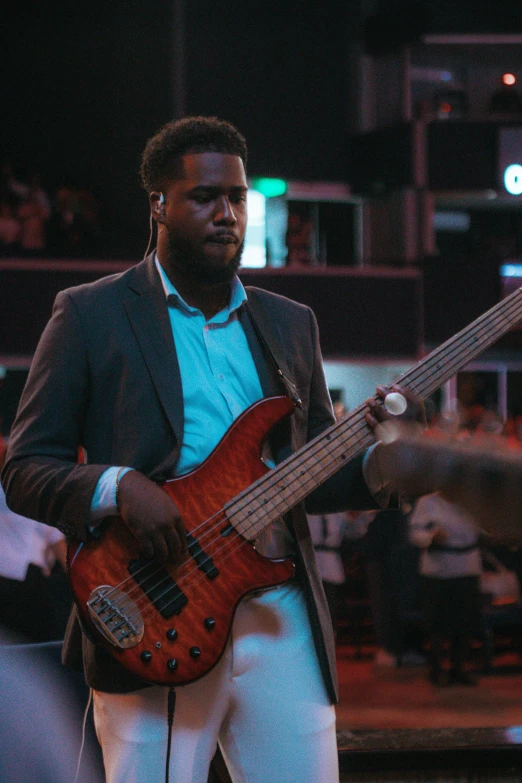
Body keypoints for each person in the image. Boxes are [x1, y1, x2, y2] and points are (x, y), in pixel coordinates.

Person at [2, 116, 419, 783]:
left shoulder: (288, 322)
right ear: (159, 205)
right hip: (159, 608)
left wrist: (387, 464)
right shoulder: (89, 314)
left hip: (278, 616)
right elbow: (25, 469)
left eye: (237, 198)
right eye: (204, 197)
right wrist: (120, 487)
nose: (226, 213)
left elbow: (312, 473)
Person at [409, 492, 482, 686]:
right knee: (437, 623)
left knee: (466, 622)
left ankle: (459, 668)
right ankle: (436, 669)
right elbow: (415, 534)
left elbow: (487, 528)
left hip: (467, 568)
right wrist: (432, 536)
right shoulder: (427, 503)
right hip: (437, 571)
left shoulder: (473, 498)